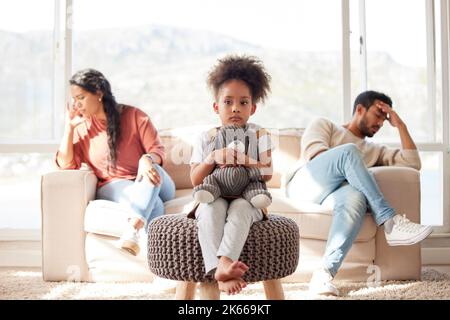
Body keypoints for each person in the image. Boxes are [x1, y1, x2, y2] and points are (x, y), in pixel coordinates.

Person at [285, 90, 433, 296]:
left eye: (385, 119)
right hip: (305, 185)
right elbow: (316, 156)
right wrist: (353, 166)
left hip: (334, 195)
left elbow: (413, 163)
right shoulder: (325, 125)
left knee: (356, 199)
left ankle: (324, 275)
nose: (381, 123)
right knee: (349, 152)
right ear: (360, 109)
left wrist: (400, 125)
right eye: (378, 115)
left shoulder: (375, 150)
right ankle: (390, 221)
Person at [55, 68, 175, 256]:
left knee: (153, 171)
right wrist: (69, 129)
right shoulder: (82, 128)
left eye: (81, 97)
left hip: (153, 179)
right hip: (115, 185)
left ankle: (132, 229)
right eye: (74, 99)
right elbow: (66, 165)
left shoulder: (135, 116)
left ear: (98, 93)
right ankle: (159, 260)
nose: (76, 105)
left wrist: (146, 159)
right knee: (156, 205)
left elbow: (157, 151)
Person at [190, 55, 273, 295]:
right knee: (210, 210)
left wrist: (245, 160)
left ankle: (223, 262)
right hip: (214, 195)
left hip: (248, 197)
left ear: (253, 108)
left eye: (243, 102)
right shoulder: (206, 137)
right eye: (228, 101)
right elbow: (196, 179)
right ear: (216, 107)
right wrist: (213, 157)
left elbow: (267, 173)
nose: (235, 108)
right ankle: (222, 269)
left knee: (240, 209)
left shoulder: (260, 135)